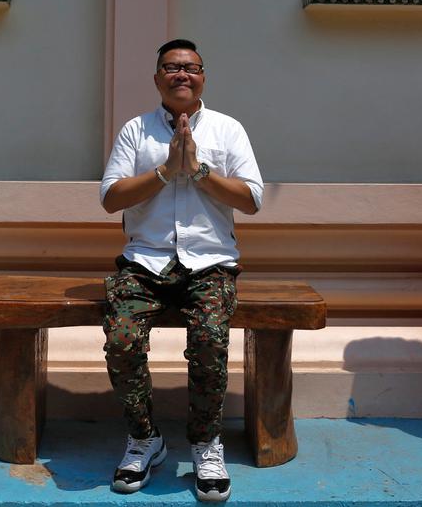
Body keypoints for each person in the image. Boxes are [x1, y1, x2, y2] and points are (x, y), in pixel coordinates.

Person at [100, 39, 263, 502]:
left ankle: (206, 443)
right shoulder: (136, 131)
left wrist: (198, 170)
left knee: (209, 338)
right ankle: (144, 439)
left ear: (203, 77)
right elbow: (110, 198)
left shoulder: (228, 130)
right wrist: (165, 172)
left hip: (210, 263)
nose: (181, 74)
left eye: (190, 67)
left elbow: (252, 199)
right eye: (171, 67)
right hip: (145, 262)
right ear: (157, 79)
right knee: (122, 339)